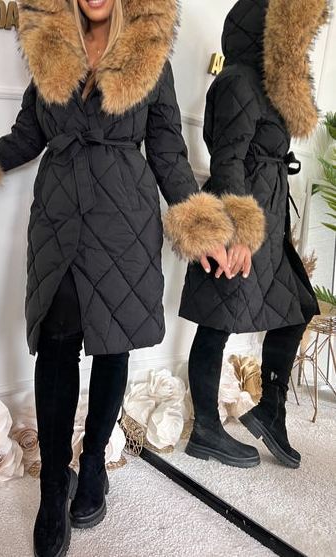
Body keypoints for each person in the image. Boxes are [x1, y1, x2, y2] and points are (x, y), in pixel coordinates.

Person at [0, 1, 241, 555]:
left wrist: (205, 228)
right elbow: (25, 137)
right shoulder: (50, 48)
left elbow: (168, 153)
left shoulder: (151, 55)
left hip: (124, 221)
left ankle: (95, 466)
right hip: (59, 218)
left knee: (112, 345)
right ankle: (53, 486)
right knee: (56, 343)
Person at [179, 0, 328, 470]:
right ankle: (205, 428)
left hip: (269, 219)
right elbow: (227, 160)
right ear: (266, 32)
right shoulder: (238, 81)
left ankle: (269, 409)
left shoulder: (269, 87)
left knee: (297, 308)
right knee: (217, 321)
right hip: (239, 218)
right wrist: (238, 231)